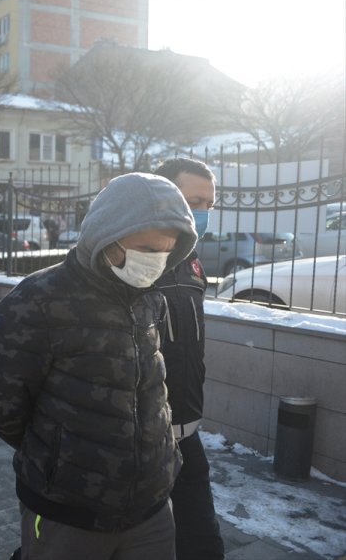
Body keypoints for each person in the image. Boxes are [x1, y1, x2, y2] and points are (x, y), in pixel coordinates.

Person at [0, 173, 197, 560]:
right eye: (146, 248)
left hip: (150, 507)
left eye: (165, 252)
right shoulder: (37, 300)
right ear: (107, 236)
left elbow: (151, 384)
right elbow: (2, 409)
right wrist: (60, 457)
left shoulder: (151, 298)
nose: (155, 262)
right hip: (67, 512)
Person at [154, 158, 225, 560]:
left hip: (187, 432)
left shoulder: (193, 262)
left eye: (209, 204)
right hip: (139, 440)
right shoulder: (134, 259)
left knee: (203, 543)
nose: (203, 212)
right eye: (194, 201)